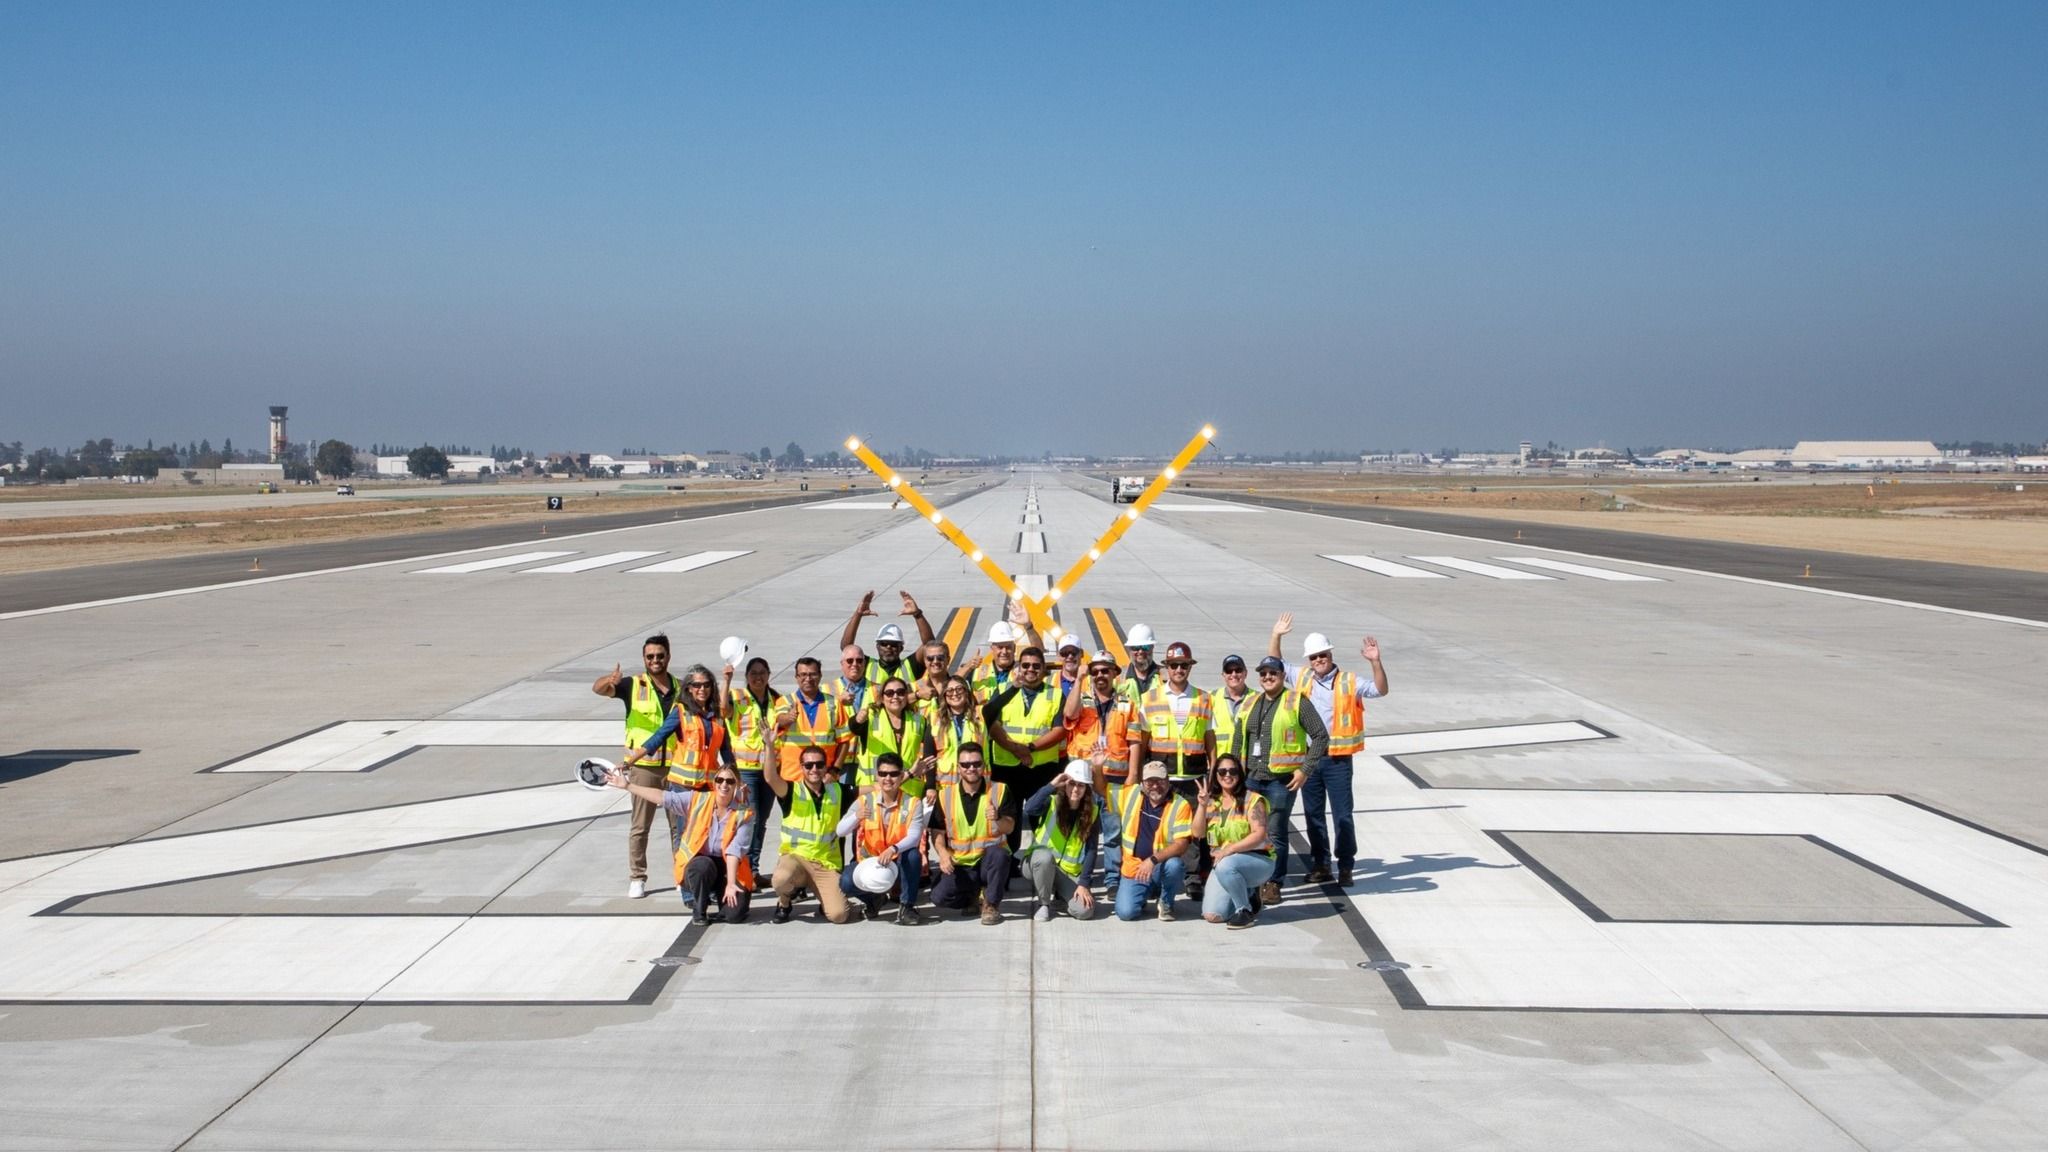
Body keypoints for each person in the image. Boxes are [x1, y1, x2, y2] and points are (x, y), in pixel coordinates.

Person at [1269, 615, 1389, 887]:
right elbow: (1275, 665)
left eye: (1322, 655)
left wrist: (1375, 662)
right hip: (1310, 760)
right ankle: (1322, 864)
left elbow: (1381, 690)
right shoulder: (1303, 677)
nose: (1318, 661)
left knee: (1342, 816)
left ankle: (1345, 865)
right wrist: (1276, 636)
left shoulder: (1349, 681)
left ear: (1330, 653)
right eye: (1313, 657)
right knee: (1313, 816)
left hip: (1338, 761)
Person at [603, 763, 753, 926]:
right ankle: (699, 908)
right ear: (714, 781)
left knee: (734, 916)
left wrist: (731, 884)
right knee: (702, 866)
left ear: (737, 784)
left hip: (729, 868)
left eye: (730, 781)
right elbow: (663, 797)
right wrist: (628, 786)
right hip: (700, 865)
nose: (724, 785)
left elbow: (734, 852)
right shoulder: (698, 800)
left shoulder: (744, 813)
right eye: (720, 779)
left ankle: (722, 894)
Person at [590, 633, 677, 899]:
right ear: (644, 658)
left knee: (679, 827)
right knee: (640, 826)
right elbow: (598, 689)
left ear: (668, 657)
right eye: (650, 656)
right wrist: (609, 680)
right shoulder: (632, 685)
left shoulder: (681, 687)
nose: (655, 660)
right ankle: (637, 877)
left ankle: (682, 874)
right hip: (644, 768)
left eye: (660, 656)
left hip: (676, 766)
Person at [1242, 655, 1327, 905]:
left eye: (1273, 673)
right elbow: (1240, 739)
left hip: (1281, 781)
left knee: (1276, 832)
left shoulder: (1296, 701)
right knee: (1252, 831)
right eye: (1264, 674)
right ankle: (1255, 878)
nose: (1268, 678)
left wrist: (1305, 770)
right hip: (1253, 779)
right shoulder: (1252, 702)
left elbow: (1321, 736)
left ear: (1282, 676)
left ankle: (1274, 882)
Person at [982, 645, 1066, 862]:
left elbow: (1059, 730)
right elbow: (992, 724)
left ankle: (1041, 861)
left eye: (1036, 666)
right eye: (1025, 665)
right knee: (1009, 816)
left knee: (1042, 815)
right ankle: (1008, 861)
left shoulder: (1055, 695)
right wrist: (1016, 749)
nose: (1031, 670)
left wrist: (1030, 748)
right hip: (1007, 767)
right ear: (1018, 667)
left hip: (1041, 768)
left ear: (1044, 670)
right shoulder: (1003, 690)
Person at [1063, 650, 1137, 898]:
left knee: (1113, 832)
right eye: (1095, 671)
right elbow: (1069, 714)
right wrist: (1079, 680)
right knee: (1082, 829)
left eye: (1106, 670)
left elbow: (1135, 741)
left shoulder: (1127, 703)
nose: (1100, 675)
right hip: (1082, 779)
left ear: (1116, 673)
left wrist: (1133, 776)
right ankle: (1079, 875)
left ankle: (1113, 879)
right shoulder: (1081, 698)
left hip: (1114, 779)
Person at [760, 745, 854, 924]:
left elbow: (876, 787)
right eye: (809, 765)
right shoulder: (791, 791)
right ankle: (785, 902)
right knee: (780, 879)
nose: (814, 769)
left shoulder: (838, 791)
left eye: (819, 765)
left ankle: (822, 895)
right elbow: (770, 777)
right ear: (801, 767)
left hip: (824, 864)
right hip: (796, 860)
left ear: (826, 767)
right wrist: (770, 746)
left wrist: (909, 774)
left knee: (839, 915)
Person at [834, 752, 929, 924]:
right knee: (846, 882)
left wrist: (894, 849)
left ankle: (907, 907)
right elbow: (840, 831)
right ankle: (874, 900)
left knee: (913, 856)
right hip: (871, 862)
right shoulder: (864, 801)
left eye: (893, 774)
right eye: (883, 774)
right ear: (877, 776)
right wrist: (857, 816)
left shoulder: (913, 802)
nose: (888, 778)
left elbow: (915, 836)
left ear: (901, 776)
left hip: (898, 861)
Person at [929, 742, 1012, 925]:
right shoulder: (944, 796)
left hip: (987, 862)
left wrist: (997, 818)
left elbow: (1009, 827)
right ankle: (972, 898)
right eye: (965, 765)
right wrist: (942, 854)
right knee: (938, 897)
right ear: (958, 767)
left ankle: (990, 904)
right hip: (961, 865)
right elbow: (937, 831)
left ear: (984, 765)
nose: (971, 768)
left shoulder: (999, 790)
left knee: (1000, 855)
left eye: (976, 763)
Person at [1191, 756, 1272, 928]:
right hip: (1224, 864)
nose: (1227, 775)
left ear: (1240, 774)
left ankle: (1244, 910)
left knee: (1226, 865)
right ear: (1216, 775)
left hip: (1258, 860)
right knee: (1212, 915)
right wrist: (1202, 806)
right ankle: (1248, 893)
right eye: (1222, 771)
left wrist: (1230, 849)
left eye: (1233, 771)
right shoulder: (1212, 801)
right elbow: (1197, 833)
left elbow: (1259, 834)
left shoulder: (1253, 800)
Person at [722, 655, 782, 883]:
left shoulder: (775, 698)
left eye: (762, 673)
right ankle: (744, 870)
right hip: (746, 769)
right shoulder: (737, 696)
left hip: (768, 768)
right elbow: (723, 710)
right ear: (746, 677)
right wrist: (726, 681)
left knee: (762, 820)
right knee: (751, 820)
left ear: (768, 675)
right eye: (753, 673)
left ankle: (753, 870)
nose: (758, 677)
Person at [1114, 762, 1195, 921]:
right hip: (1134, 867)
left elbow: (1182, 844)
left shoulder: (1180, 804)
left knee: (1175, 865)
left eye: (1160, 780)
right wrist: (1096, 768)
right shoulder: (1131, 794)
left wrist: (1152, 860)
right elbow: (1101, 790)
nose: (1155, 786)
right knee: (1125, 913)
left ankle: (1166, 902)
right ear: (1142, 783)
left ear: (1168, 781)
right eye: (1150, 781)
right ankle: (1143, 895)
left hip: (1159, 866)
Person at [1022, 760, 1099, 921]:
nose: (1076, 789)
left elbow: (1092, 850)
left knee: (1085, 910)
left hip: (1066, 872)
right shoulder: (1051, 801)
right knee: (1044, 858)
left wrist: (1083, 884)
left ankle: (1061, 899)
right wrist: (1052, 785)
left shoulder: (1092, 812)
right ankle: (1044, 904)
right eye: (1072, 783)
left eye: (1081, 785)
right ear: (1064, 784)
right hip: (1038, 863)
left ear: (1087, 788)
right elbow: (1029, 808)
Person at [849, 676, 936, 795]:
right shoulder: (871, 716)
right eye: (889, 693)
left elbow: (930, 753)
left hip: (908, 790)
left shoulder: (919, 721)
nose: (895, 696)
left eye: (900, 692)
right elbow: (854, 727)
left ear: (906, 696)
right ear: (882, 698)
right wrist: (858, 720)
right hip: (875, 789)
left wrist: (930, 785)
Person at [772, 656, 851, 784]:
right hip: (793, 778)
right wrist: (788, 718)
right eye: (803, 674)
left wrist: (835, 770)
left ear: (820, 676)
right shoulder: (785, 701)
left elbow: (844, 741)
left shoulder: (834, 704)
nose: (808, 679)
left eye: (812, 674)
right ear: (796, 677)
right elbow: (779, 720)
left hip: (824, 779)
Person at [840, 589, 937, 689]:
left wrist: (918, 615)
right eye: (884, 643)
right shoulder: (868, 665)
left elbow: (930, 646)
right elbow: (847, 647)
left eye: (894, 644)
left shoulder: (910, 666)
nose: (889, 647)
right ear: (877, 646)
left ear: (901, 648)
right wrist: (858, 614)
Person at [927, 674, 988, 789]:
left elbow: (999, 702)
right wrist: (930, 787)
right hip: (945, 785)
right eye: (949, 691)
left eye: (959, 689)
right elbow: (929, 754)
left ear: (967, 693)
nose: (954, 694)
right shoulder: (935, 718)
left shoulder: (980, 713)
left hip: (977, 783)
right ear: (944, 696)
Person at [1210, 654, 1254, 764]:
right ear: (1223, 675)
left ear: (1245, 673)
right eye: (1229, 671)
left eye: (1238, 670)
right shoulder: (1211, 698)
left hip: (1248, 764)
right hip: (1220, 766)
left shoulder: (1257, 698)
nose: (1233, 674)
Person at [1117, 623, 1161, 704]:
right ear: (1129, 649)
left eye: (1145, 647)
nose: (1140, 652)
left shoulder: (1165, 677)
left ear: (1152, 647)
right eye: (1135, 648)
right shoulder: (1118, 678)